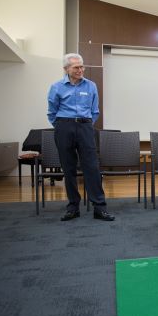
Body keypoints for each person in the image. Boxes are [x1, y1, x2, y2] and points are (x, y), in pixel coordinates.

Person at [47, 53, 114, 221]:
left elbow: (95, 111)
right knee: (68, 168)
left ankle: (99, 207)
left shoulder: (91, 86)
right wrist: (63, 126)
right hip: (64, 126)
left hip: (85, 127)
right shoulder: (56, 87)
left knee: (92, 167)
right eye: (76, 67)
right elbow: (52, 113)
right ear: (66, 69)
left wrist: (85, 125)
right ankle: (73, 207)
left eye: (82, 66)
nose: (80, 70)